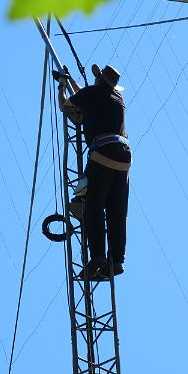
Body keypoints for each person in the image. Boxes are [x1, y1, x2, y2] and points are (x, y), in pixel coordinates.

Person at [57, 64, 131, 279]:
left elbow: (66, 105)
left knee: (92, 206)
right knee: (117, 213)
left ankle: (98, 256)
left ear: (98, 80)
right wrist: (70, 79)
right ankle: (117, 261)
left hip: (103, 152)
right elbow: (85, 93)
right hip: (124, 156)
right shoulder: (118, 100)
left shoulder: (92, 93)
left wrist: (62, 86)